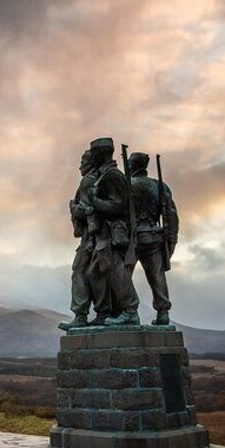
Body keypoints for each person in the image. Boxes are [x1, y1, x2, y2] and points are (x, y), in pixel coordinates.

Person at [86, 137, 140, 326]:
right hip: (102, 234)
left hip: (112, 234)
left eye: (93, 154)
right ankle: (103, 312)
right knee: (94, 273)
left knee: (117, 271)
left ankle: (130, 310)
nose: (91, 158)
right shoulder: (104, 175)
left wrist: (95, 201)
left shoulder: (112, 176)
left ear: (100, 154)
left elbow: (118, 206)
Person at [59, 150, 109, 330]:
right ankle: (102, 313)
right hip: (98, 237)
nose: (80, 166)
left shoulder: (88, 181)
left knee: (79, 272)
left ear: (91, 162)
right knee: (96, 275)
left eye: (83, 162)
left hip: (92, 237)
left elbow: (89, 208)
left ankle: (81, 315)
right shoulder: (101, 178)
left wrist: (74, 209)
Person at [127, 152, 179, 325]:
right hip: (154, 236)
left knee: (124, 275)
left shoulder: (127, 185)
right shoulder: (159, 186)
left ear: (133, 165)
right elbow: (171, 214)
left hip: (132, 238)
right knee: (157, 276)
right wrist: (172, 239)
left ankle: (129, 310)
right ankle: (163, 312)